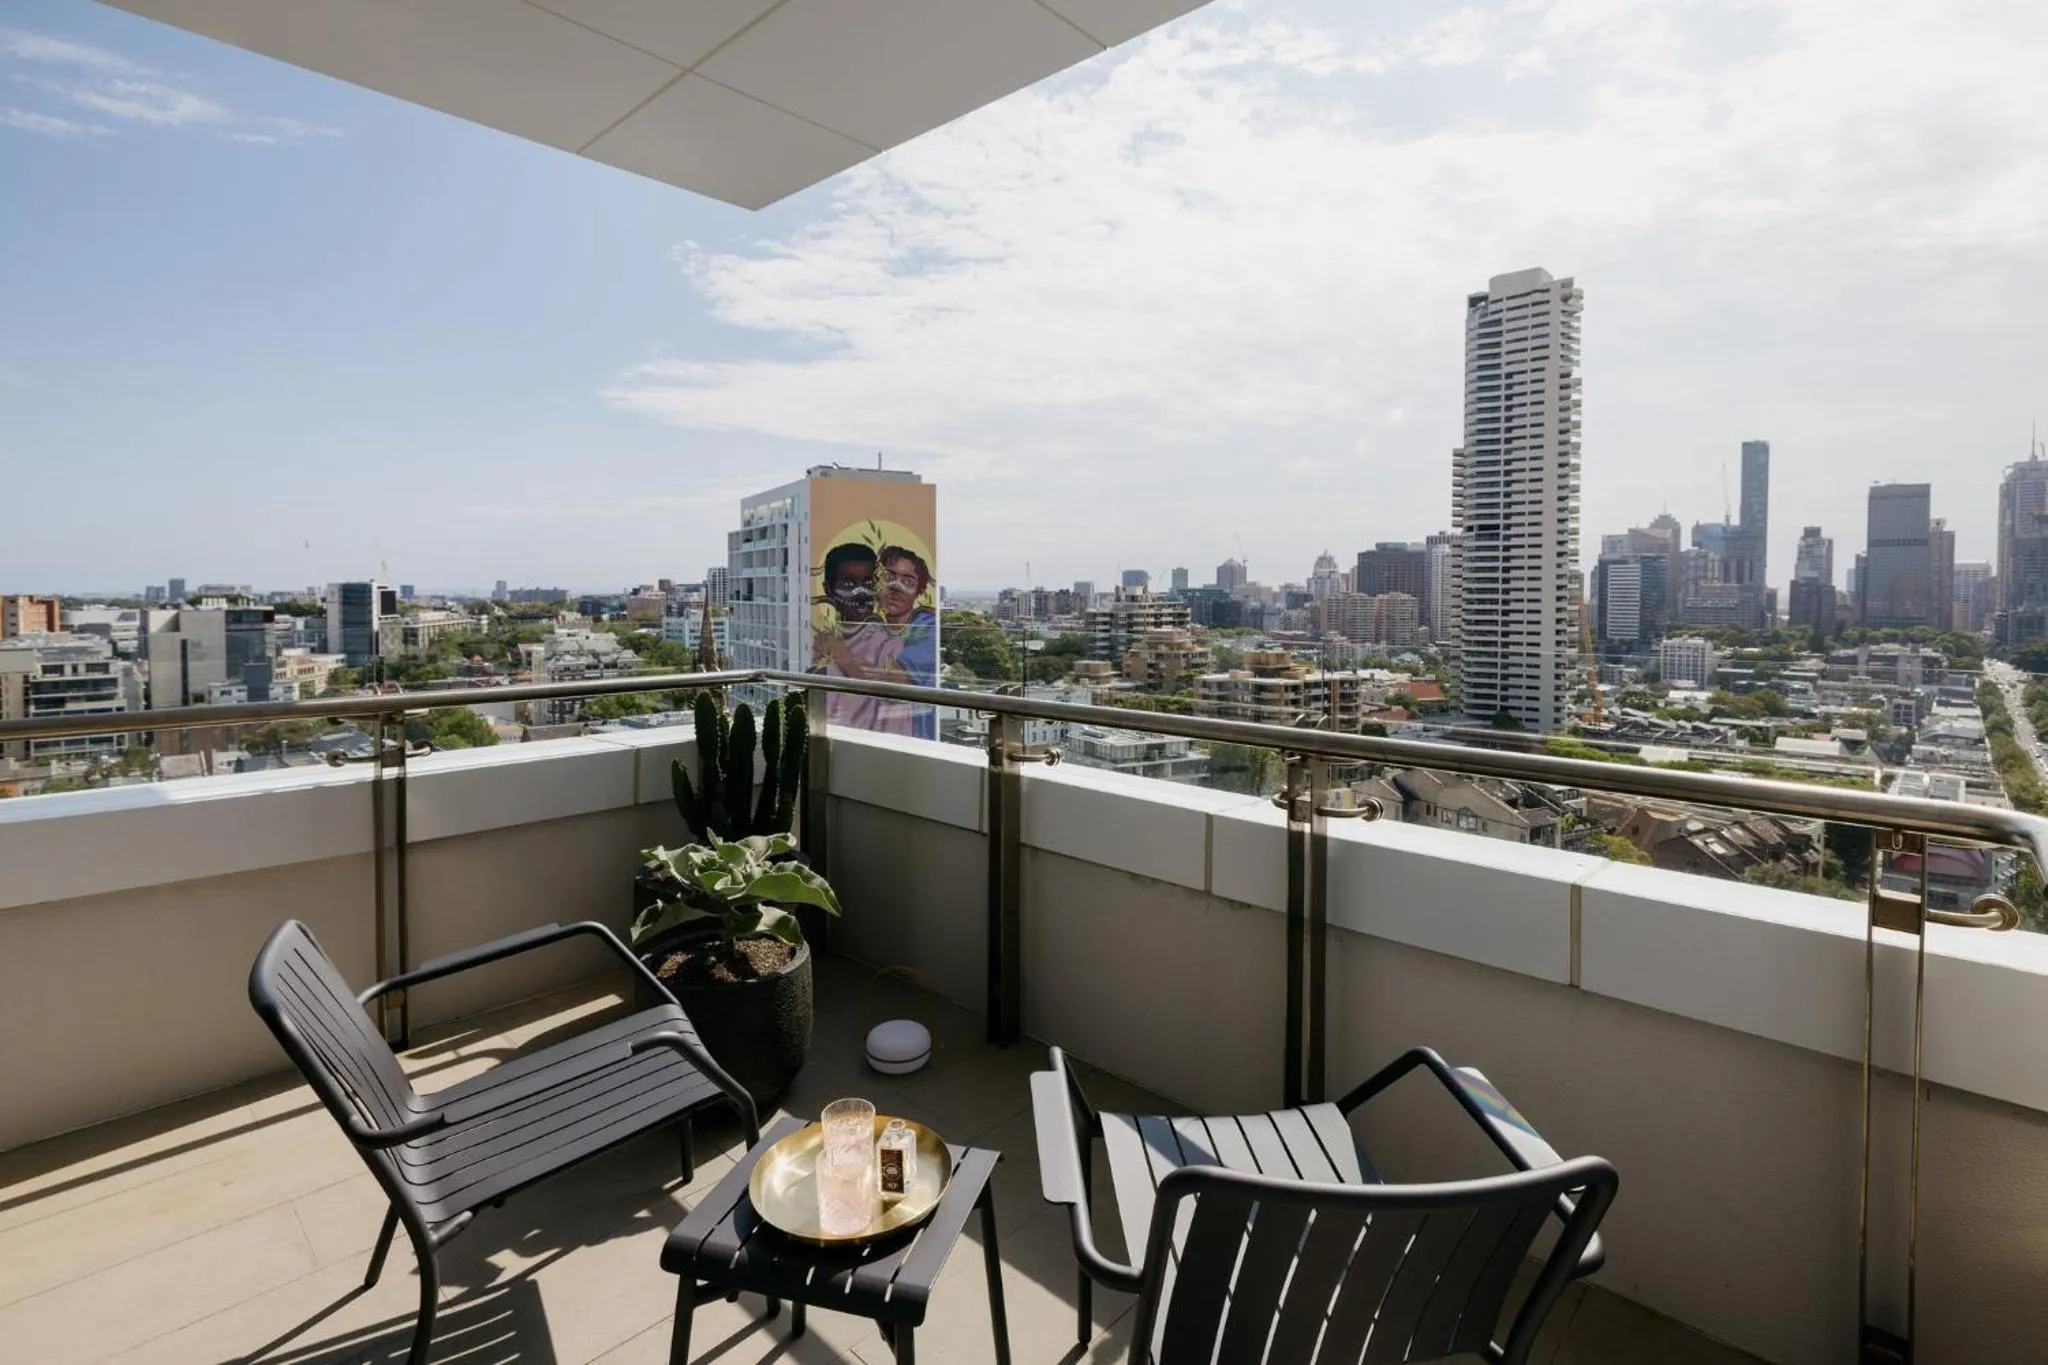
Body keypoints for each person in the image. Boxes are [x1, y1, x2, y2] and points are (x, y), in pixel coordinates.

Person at [813, 543, 914, 734]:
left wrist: (841, 654)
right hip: (837, 738)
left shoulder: (886, 640)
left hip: (877, 746)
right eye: (849, 584)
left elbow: (902, 690)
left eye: (868, 583)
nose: (861, 593)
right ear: (829, 590)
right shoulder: (827, 639)